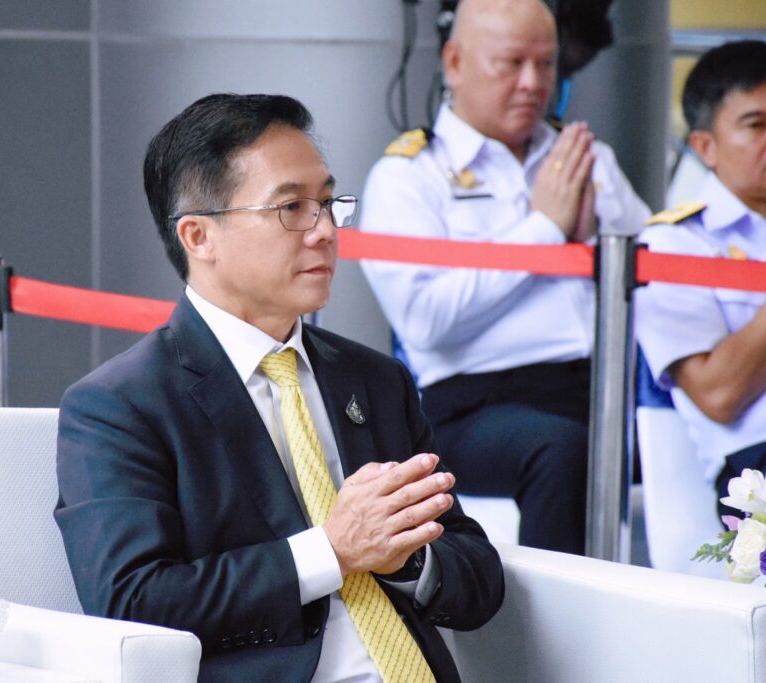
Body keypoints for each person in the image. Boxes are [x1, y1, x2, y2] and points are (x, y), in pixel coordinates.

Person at [55, 93, 504, 683]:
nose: (325, 231)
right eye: (292, 207)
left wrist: (406, 560)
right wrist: (331, 552)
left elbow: (477, 576)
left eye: (328, 204)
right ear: (198, 236)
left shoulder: (375, 379)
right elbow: (133, 601)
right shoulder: (119, 405)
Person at [359, 0, 650, 554]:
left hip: (604, 386)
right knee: (559, 450)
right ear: (454, 62)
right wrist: (544, 231)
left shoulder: (583, 156)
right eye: (511, 62)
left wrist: (590, 242)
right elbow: (424, 322)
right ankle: (560, 614)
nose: (533, 83)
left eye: (546, 63)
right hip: (473, 404)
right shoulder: (409, 174)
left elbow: (665, 272)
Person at [635, 40, 766, 517]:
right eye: (756, 125)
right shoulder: (673, 242)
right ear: (705, 146)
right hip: (753, 467)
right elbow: (718, 394)